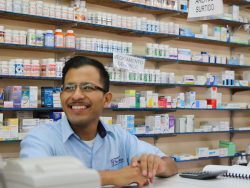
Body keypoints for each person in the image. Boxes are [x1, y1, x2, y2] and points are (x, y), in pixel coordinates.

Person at [20, 56, 178, 187]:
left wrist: (157, 165)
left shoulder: (119, 137)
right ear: (61, 96)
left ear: (106, 99)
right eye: (69, 87)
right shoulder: (40, 138)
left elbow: (171, 165)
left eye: (87, 87)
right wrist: (111, 177)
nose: (76, 96)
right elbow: (30, 180)